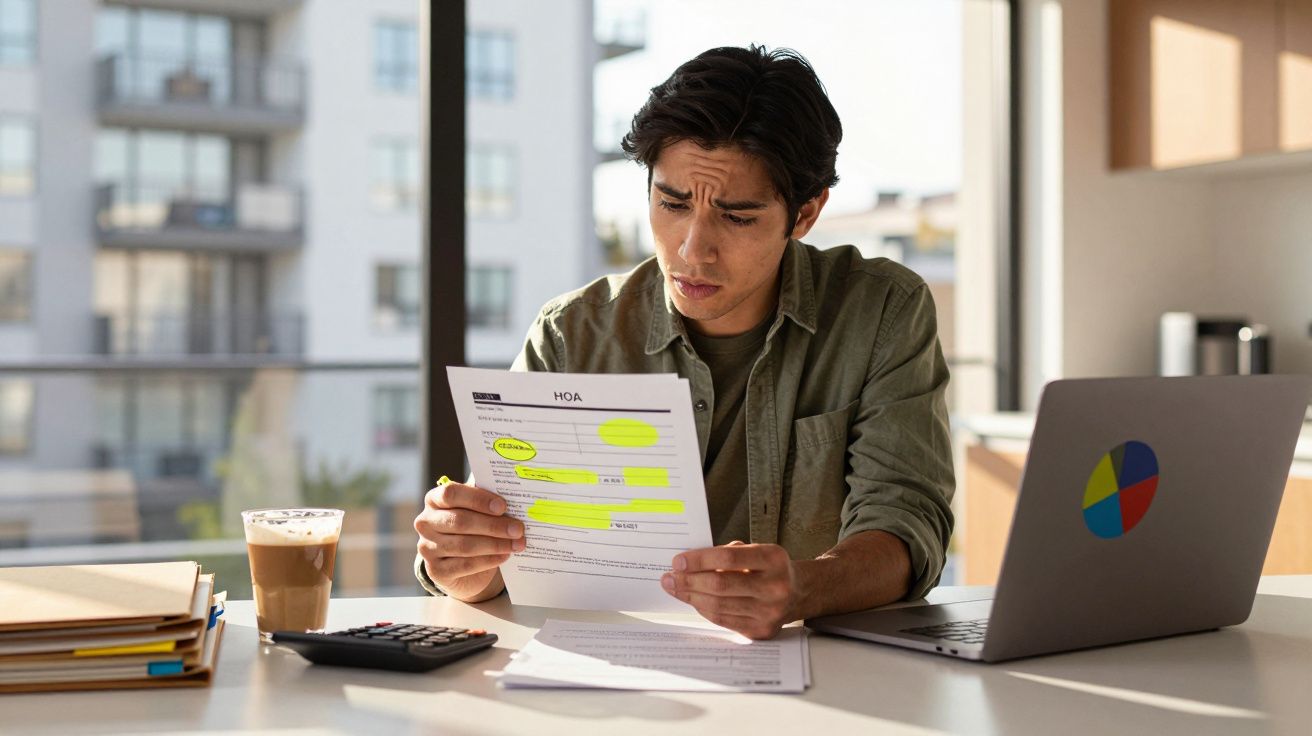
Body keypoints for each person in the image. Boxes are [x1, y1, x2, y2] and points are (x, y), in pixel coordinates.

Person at [413, 45, 954, 640]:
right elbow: (489, 565)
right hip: (607, 667)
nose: (694, 250)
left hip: (828, 669)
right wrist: (461, 562)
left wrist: (805, 587)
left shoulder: (881, 312)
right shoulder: (570, 335)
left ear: (805, 213)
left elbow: (908, 523)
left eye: (737, 217)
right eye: (671, 203)